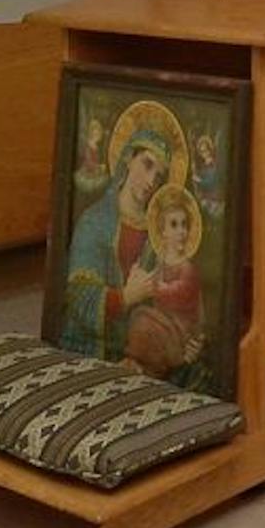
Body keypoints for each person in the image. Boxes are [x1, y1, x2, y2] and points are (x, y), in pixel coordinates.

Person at [60, 127, 171, 362]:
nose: (151, 181)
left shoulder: (158, 235)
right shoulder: (94, 223)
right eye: (147, 164)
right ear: (129, 159)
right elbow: (80, 300)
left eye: (159, 176)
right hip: (92, 354)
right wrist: (127, 296)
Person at [124, 185, 208, 382]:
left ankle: (145, 370)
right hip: (162, 321)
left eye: (184, 225)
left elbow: (177, 292)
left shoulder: (187, 268)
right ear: (162, 232)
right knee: (139, 321)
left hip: (180, 329)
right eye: (174, 225)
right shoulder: (159, 263)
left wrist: (152, 285)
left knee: (145, 326)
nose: (181, 231)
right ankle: (138, 366)